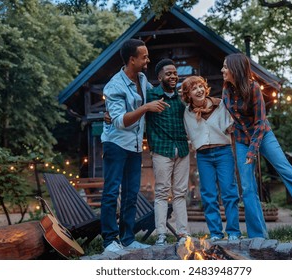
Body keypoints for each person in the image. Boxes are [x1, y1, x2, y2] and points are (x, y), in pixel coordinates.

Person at [221, 53, 292, 238]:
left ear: (236, 69)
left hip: (263, 135)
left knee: (287, 171)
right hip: (242, 140)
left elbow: (260, 122)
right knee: (248, 187)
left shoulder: (254, 88)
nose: (222, 70)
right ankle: (258, 236)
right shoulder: (226, 90)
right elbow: (228, 114)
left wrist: (253, 151)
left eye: (225, 67)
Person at [101, 39, 169, 252]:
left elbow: (156, 94)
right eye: (144, 57)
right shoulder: (114, 86)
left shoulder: (142, 78)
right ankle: (109, 241)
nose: (148, 60)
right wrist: (145, 107)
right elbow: (120, 121)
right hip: (116, 144)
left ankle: (127, 239)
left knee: (131, 193)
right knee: (112, 192)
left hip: (135, 146)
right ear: (132, 59)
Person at [181, 76, 241, 241]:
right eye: (194, 88)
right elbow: (189, 134)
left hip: (223, 152)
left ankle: (234, 232)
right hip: (203, 156)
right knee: (208, 195)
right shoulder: (187, 113)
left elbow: (230, 126)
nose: (199, 90)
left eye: (201, 86)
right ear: (188, 94)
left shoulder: (220, 104)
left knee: (229, 192)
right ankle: (215, 232)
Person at [145, 58, 190, 245]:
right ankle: (161, 235)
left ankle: (183, 235)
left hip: (183, 150)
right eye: (169, 73)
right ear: (160, 76)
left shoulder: (182, 98)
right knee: (162, 193)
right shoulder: (150, 96)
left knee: (180, 193)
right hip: (162, 151)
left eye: (175, 73)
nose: (173, 76)